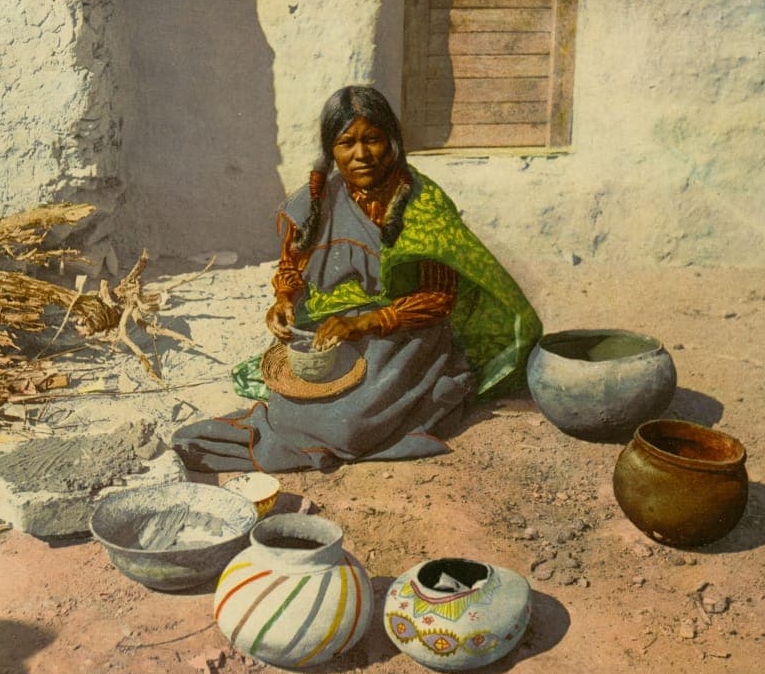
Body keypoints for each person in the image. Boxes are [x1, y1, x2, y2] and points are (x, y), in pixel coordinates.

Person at [172, 86, 541, 473]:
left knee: (348, 425)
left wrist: (366, 322)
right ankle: (277, 433)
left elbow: (438, 299)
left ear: (393, 143)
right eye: (347, 142)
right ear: (331, 150)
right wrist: (283, 300)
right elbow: (291, 270)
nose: (361, 154)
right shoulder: (316, 202)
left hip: (405, 333)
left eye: (373, 139)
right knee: (293, 406)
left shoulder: (423, 202)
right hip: (334, 328)